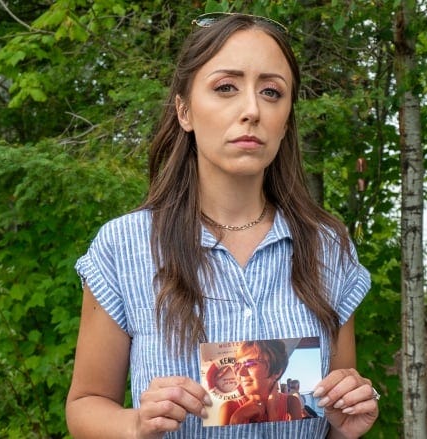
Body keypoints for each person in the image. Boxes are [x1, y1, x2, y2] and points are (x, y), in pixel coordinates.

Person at [65, 12, 380, 438]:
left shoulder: (329, 248)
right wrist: (135, 424)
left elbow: (331, 414)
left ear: (286, 121)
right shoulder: (123, 247)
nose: (251, 109)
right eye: (226, 87)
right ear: (184, 111)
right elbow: (84, 408)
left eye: (272, 92)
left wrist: (345, 423)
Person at [219, 340, 302, 424]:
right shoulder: (229, 408)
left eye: (250, 364)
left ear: (277, 372)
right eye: (238, 366)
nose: (240, 373)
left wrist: (272, 414)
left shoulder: (291, 404)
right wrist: (236, 419)